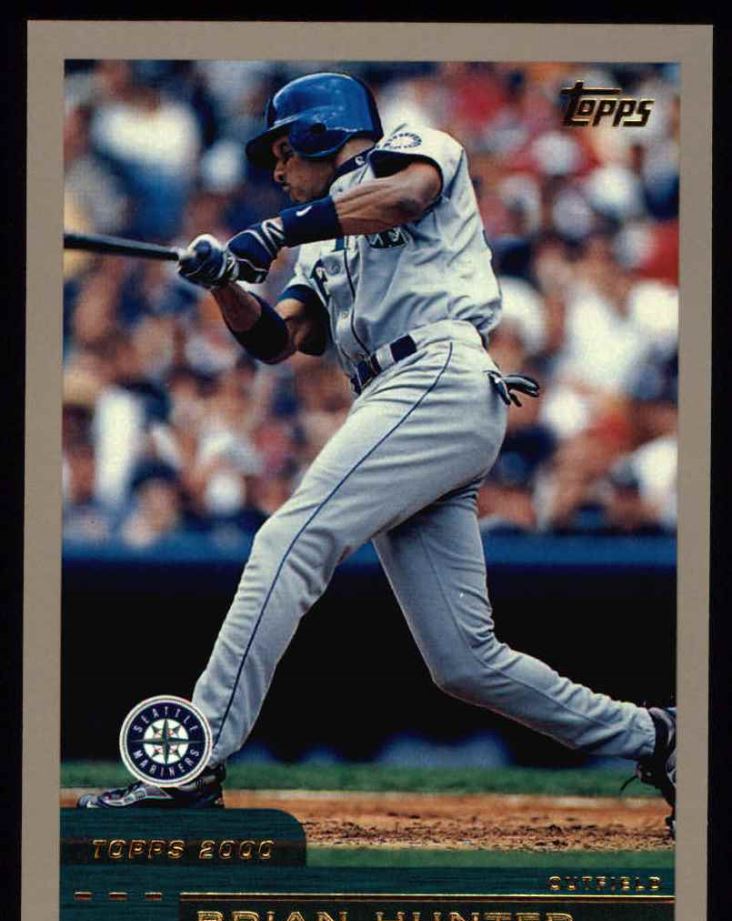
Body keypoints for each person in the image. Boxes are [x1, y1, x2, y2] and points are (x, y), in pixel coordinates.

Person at [78, 72, 676, 835]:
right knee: (464, 660)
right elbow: (279, 340)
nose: (277, 168)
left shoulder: (414, 149)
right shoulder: (324, 242)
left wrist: (276, 231)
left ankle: (194, 764)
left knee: (289, 540)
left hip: (437, 372)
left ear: (323, 131)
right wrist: (226, 286)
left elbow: (403, 198)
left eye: (284, 149)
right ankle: (657, 737)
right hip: (404, 396)